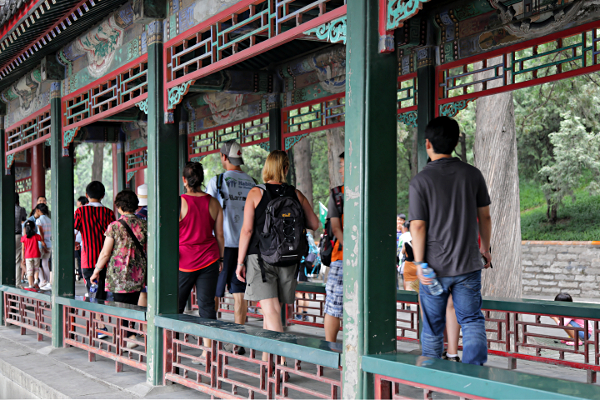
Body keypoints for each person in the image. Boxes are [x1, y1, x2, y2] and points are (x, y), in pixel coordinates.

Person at [409, 116, 492, 366]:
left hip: (433, 269)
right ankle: (474, 382)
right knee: (472, 321)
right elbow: (485, 216)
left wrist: (420, 263)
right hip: (468, 265)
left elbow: (419, 225)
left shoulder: (420, 181)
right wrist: (485, 249)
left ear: (427, 144)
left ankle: (430, 385)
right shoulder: (472, 174)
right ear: (455, 142)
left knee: (433, 328)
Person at [236, 150, 319, 361]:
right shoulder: (296, 194)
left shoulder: (256, 193)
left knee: (270, 310)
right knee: (273, 311)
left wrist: (239, 262)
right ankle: (268, 362)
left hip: (260, 259)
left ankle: (281, 360)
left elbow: (246, 230)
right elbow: (314, 224)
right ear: (285, 168)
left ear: (267, 167)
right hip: (287, 258)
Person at [206, 140, 255, 346]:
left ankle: (211, 343)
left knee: (214, 295)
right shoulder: (253, 182)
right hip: (246, 246)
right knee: (239, 294)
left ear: (224, 157)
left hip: (221, 246)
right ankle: (238, 342)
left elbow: (207, 215)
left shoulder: (217, 182)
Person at [179, 162, 224, 363]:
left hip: (184, 262)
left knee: (175, 306)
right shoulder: (214, 203)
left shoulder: (179, 202)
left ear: (184, 180)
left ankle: (173, 347)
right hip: (209, 259)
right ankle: (208, 352)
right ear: (202, 179)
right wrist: (221, 258)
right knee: (207, 306)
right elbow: (220, 235)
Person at [90, 190, 147, 349]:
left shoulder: (115, 226)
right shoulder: (143, 224)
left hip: (119, 274)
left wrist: (96, 270)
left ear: (119, 207)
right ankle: (131, 333)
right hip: (138, 272)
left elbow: (105, 252)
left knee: (121, 307)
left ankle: (129, 336)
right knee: (133, 304)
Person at [74, 181, 116, 301]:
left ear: (87, 195)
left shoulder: (80, 211)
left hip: (88, 258)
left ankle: (97, 317)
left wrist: (75, 243)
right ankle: (101, 316)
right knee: (102, 291)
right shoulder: (109, 213)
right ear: (103, 195)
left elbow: (73, 232)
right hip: (106, 260)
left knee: (92, 292)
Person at [323, 152, 345, 343]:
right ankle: (331, 346)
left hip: (342, 259)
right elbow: (336, 228)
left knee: (334, 305)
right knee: (334, 306)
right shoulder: (338, 193)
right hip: (342, 257)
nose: (341, 169)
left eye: (343, 165)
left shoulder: (338, 194)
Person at [21, 220, 47, 290]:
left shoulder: (24, 237)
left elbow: (23, 249)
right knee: (36, 268)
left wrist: (23, 258)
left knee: (29, 270)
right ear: (33, 228)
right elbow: (41, 239)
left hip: (28, 256)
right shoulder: (36, 236)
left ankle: (30, 285)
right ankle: (36, 280)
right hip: (36, 255)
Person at [34, 204, 52, 291]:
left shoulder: (39, 220)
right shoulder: (50, 220)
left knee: (36, 264)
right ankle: (48, 282)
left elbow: (41, 232)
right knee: (45, 264)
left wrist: (42, 242)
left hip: (41, 244)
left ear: (38, 210)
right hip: (49, 244)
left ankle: (42, 280)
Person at [74, 196, 88, 282]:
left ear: (80, 202)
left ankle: (82, 274)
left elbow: (75, 228)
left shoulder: (79, 211)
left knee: (80, 259)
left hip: (80, 240)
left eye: (77, 201)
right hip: (84, 241)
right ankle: (82, 274)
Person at [15, 193, 27, 285]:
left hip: (4, 237)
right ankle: (17, 283)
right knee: (17, 260)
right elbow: (24, 219)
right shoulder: (21, 209)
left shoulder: (3, 208)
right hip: (17, 235)